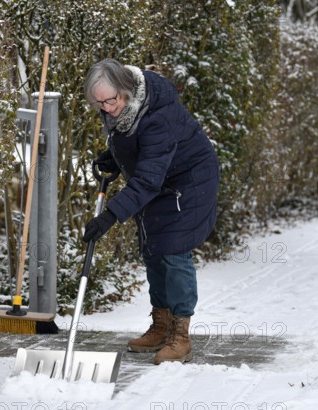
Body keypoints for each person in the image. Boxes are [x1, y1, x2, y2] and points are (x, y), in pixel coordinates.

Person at [82, 58, 219, 365]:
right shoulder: (122, 107)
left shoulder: (158, 115)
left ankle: (180, 335)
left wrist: (109, 217)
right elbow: (138, 148)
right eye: (99, 103)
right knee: (153, 249)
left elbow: (147, 176)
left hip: (189, 182)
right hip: (161, 179)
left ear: (126, 90)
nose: (106, 108)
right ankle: (161, 325)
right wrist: (114, 158)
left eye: (111, 100)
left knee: (173, 249)